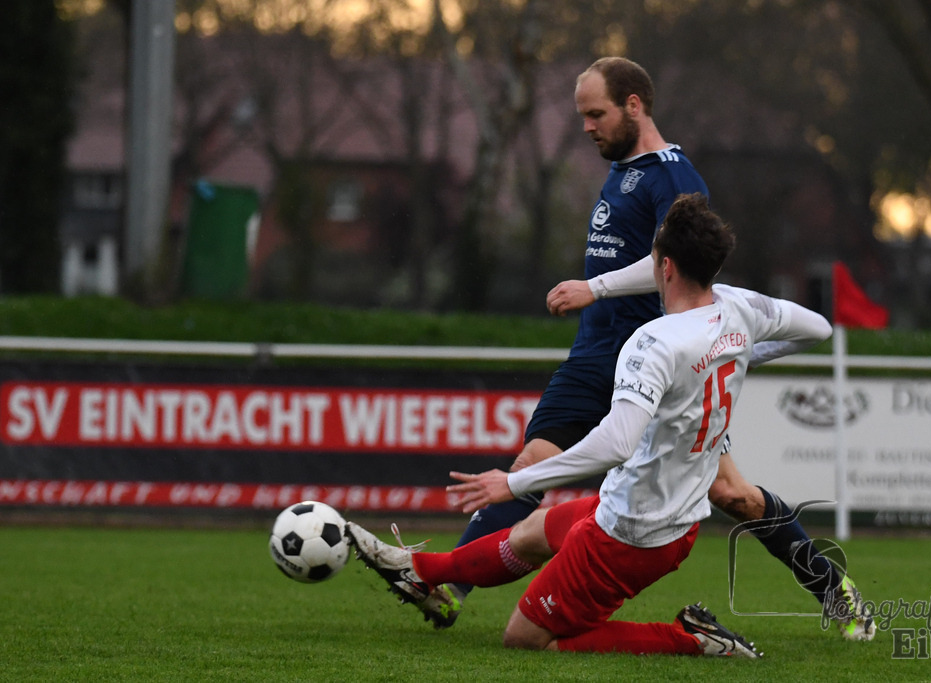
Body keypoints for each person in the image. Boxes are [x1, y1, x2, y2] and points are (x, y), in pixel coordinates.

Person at [422, 56, 874, 642]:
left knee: (734, 495)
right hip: (598, 350)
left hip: (658, 360)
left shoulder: (675, 177)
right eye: (583, 115)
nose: (587, 127)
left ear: (634, 105)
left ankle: (832, 589)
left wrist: (597, 287)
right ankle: (446, 588)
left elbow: (672, 261)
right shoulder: (622, 172)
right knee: (531, 465)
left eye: (596, 114)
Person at [344, 192, 831, 657]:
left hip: (635, 532)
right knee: (530, 532)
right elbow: (818, 328)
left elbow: (615, 443)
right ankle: (419, 571)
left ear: (664, 267)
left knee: (524, 638)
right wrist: (743, 355)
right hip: (656, 510)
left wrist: (513, 483)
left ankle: (695, 640)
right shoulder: (738, 309)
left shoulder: (655, 342)